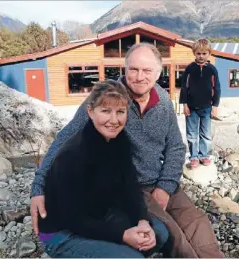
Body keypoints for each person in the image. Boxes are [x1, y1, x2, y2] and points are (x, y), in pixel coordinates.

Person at [30, 43, 224, 258]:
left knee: (196, 220)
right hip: (130, 187)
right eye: (134, 69)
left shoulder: (164, 103)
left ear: (159, 73)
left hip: (161, 180)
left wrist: (165, 186)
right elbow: (63, 139)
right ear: (125, 69)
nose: (140, 77)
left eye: (147, 70)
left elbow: (176, 147)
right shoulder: (108, 99)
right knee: (172, 234)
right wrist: (38, 188)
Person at [37, 80, 169, 258]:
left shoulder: (120, 141)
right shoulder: (72, 155)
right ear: (90, 112)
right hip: (62, 231)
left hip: (100, 215)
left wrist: (142, 221)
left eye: (120, 112)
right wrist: (122, 235)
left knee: (159, 233)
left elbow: (131, 187)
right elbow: (72, 218)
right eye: (106, 111)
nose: (114, 120)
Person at [179, 38, 221, 168]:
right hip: (191, 108)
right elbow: (184, 87)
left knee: (206, 134)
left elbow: (217, 88)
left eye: (204, 53)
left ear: (209, 53)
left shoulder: (212, 69)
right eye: (198, 53)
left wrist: (215, 106)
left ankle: (204, 155)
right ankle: (193, 157)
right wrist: (184, 105)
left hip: (207, 107)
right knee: (192, 134)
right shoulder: (190, 69)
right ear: (194, 53)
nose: (201, 56)